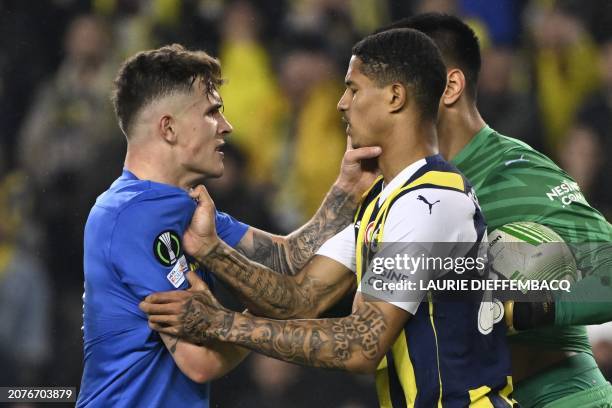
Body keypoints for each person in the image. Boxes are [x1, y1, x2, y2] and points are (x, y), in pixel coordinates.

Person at [141, 28, 515, 407]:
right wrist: (211, 250)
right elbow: (299, 297)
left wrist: (221, 324)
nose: (341, 103)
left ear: (395, 97)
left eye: (353, 89)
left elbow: (360, 345)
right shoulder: (386, 201)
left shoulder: (432, 201)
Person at [77, 44, 381, 407]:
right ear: (169, 128)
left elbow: (287, 258)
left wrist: (346, 189)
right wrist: (264, 310)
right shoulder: (130, 215)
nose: (227, 126)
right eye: (212, 112)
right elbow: (200, 363)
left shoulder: (184, 205)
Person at [384, 13, 612, 408]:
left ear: (448, 87)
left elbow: (608, 270)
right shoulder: (392, 191)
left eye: (391, 88)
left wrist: (504, 289)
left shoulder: (513, 171)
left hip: (555, 397)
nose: (346, 103)